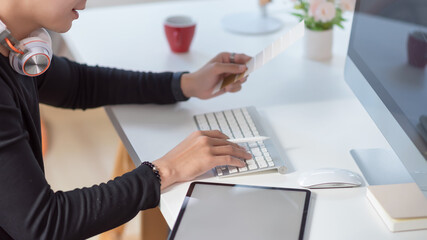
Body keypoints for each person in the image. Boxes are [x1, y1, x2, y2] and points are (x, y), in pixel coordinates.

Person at [0, 0, 253, 239]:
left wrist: (185, 84)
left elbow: (79, 85)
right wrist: (165, 170)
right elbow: (45, 225)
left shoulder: (13, 45)